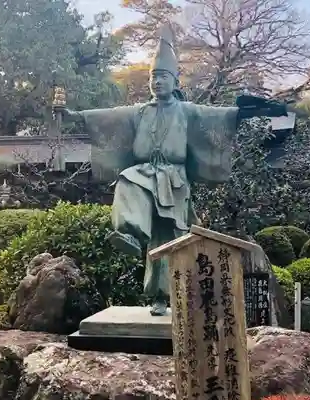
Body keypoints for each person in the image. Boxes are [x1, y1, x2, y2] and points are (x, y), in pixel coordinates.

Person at [56, 25, 287, 316]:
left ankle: (167, 297)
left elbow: (220, 116)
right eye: (153, 77)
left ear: (174, 80)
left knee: (169, 240)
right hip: (144, 172)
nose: (157, 82)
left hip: (174, 179)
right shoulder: (140, 111)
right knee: (127, 180)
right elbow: (108, 118)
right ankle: (129, 233)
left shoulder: (187, 110)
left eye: (162, 77)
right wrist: (73, 115)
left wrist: (253, 111)